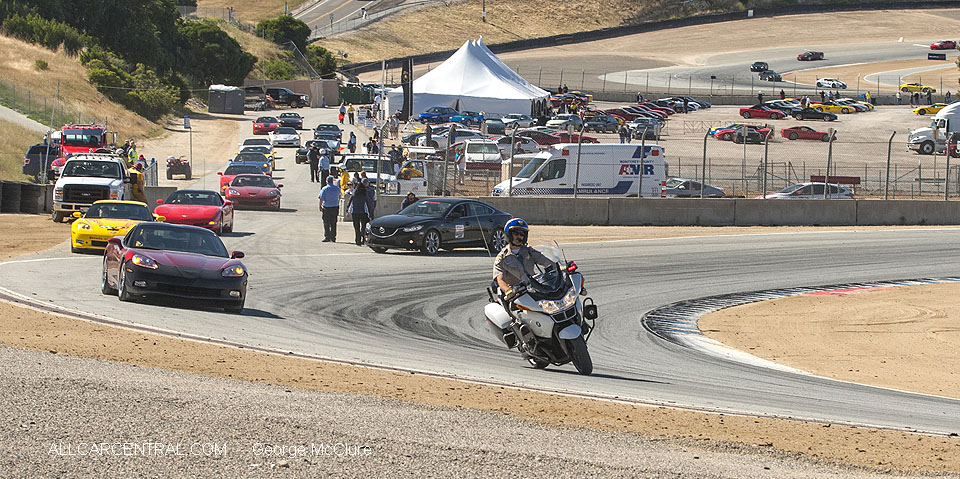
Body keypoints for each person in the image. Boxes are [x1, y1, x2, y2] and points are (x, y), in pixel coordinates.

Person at [493, 218, 554, 299]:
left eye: (522, 234)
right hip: (516, 296)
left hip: (534, 290)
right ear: (509, 234)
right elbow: (500, 279)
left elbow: (546, 262)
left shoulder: (529, 251)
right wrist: (508, 290)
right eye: (516, 234)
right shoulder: (502, 258)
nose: (519, 237)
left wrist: (561, 268)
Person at [347, 180, 371, 246]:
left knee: (356, 227)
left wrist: (348, 211)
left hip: (355, 213)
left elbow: (350, 204)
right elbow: (367, 206)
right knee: (363, 227)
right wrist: (369, 215)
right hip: (363, 213)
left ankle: (358, 240)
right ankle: (362, 237)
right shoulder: (364, 196)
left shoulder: (353, 195)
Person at [318, 176, 340, 242]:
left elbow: (321, 198)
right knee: (333, 222)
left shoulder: (324, 189)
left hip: (327, 207)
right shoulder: (337, 188)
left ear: (327, 181)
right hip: (335, 207)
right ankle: (333, 237)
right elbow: (339, 195)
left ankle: (327, 236)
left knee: (326, 222)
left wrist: (320, 206)